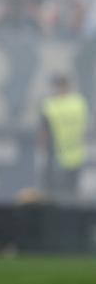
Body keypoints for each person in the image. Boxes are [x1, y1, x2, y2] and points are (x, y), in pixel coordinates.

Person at [39, 74, 89, 202]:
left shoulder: (50, 106)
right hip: (75, 155)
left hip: (56, 156)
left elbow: (43, 134)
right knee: (72, 196)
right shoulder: (79, 103)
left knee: (54, 196)